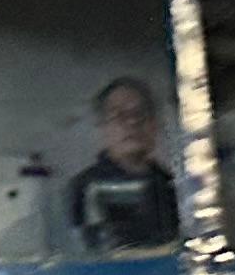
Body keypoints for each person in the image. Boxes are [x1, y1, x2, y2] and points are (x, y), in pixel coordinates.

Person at [63, 77, 180, 253]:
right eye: (118, 115)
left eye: (141, 114)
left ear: (154, 125)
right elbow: (89, 255)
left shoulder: (173, 187)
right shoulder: (83, 188)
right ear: (102, 127)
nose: (133, 122)